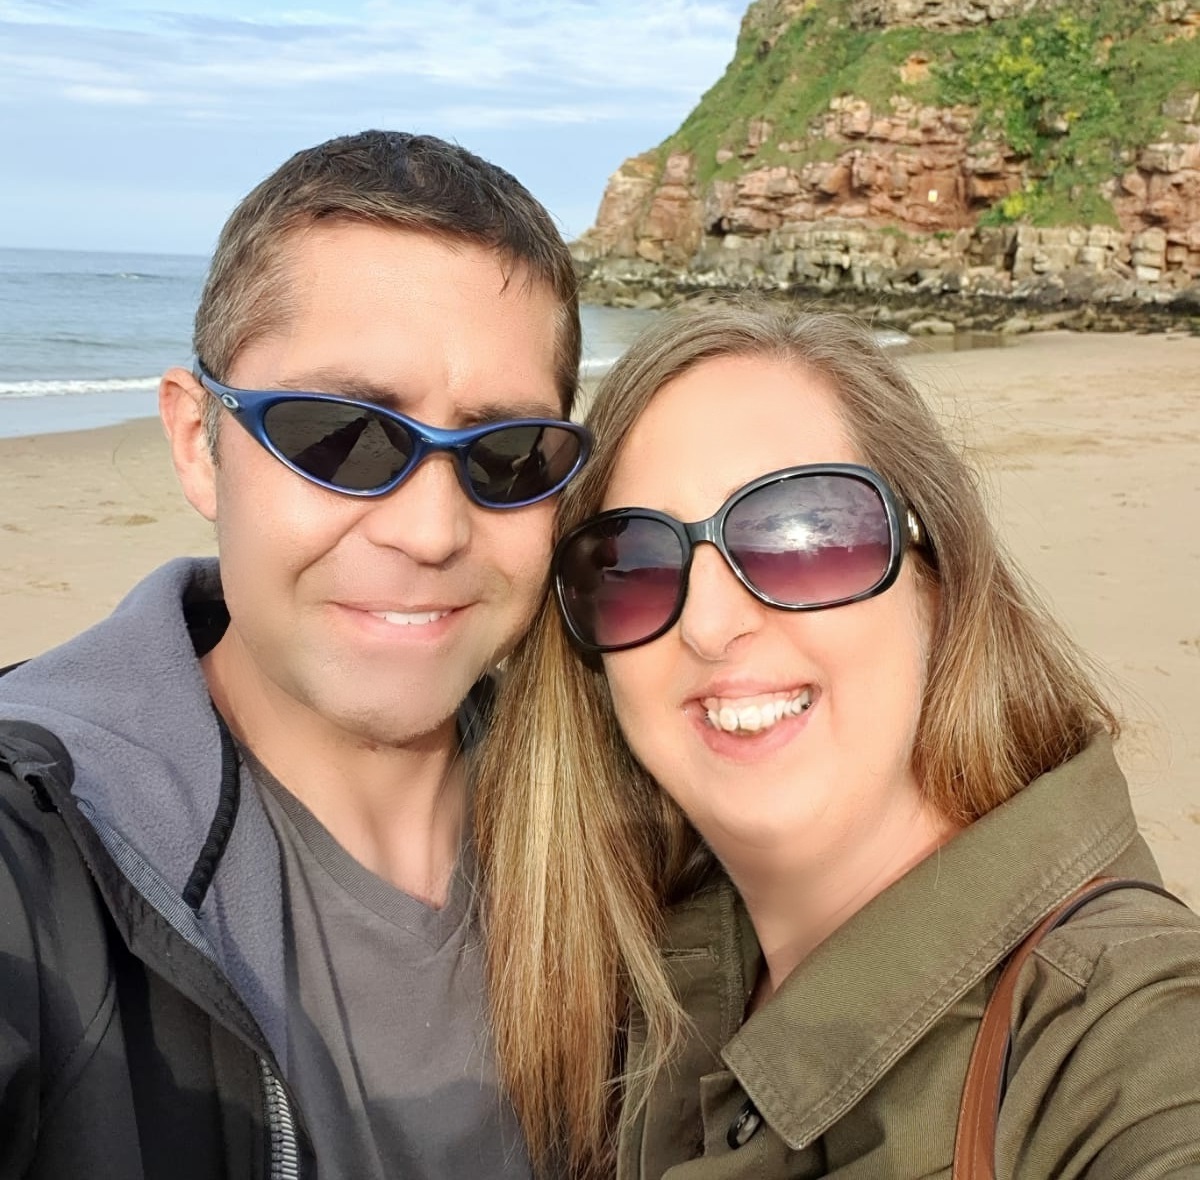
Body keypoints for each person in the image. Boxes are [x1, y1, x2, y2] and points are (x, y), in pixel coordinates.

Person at [475, 301, 1200, 1178]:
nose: (709, 625)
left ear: (937, 576)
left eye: (803, 534)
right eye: (633, 565)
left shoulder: (1112, 1037)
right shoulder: (635, 988)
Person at [0, 129, 590, 1179]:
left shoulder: (629, 822)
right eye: (342, 436)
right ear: (200, 441)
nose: (432, 531)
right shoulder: (41, 835)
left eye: (508, 455)